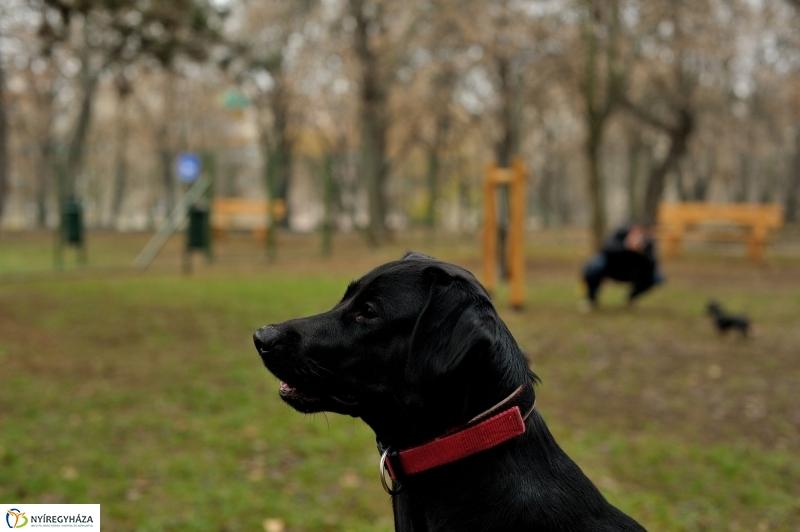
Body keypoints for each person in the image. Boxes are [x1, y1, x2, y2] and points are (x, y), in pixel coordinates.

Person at [581, 223, 665, 309]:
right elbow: (605, 249)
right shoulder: (619, 236)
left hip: (634, 273)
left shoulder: (648, 243)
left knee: (658, 276)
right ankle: (591, 298)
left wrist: (641, 252)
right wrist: (625, 246)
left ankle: (632, 297)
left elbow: (652, 264)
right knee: (594, 266)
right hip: (612, 269)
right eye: (634, 234)